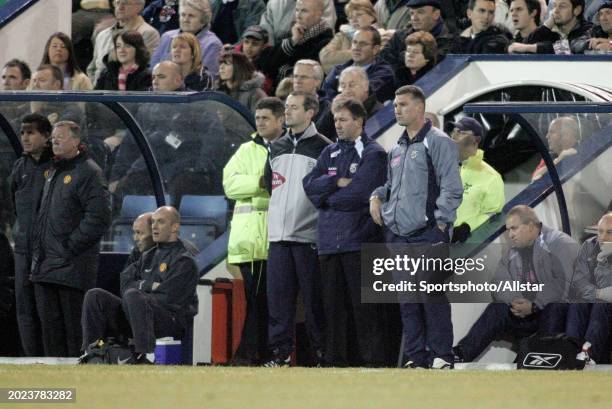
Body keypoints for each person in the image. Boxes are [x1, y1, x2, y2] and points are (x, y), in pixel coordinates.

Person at [369, 85, 463, 369]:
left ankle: (442, 356)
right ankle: (417, 358)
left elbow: (451, 187)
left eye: (403, 104)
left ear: (420, 108)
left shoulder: (438, 141)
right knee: (408, 300)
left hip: (427, 234)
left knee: (431, 296)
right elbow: (392, 186)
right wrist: (377, 196)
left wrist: (440, 224)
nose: (397, 109)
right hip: (399, 235)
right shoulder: (397, 147)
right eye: (396, 104)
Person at [303, 98, 387, 367]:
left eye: (343, 120)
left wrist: (327, 197)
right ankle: (334, 362)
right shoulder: (329, 152)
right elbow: (309, 187)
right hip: (329, 242)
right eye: (336, 120)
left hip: (359, 241)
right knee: (332, 309)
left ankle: (372, 363)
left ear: (359, 121)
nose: (337, 125)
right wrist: (335, 182)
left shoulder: (373, 153)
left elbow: (361, 194)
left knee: (364, 310)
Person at [453, 205, 577, 362]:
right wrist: (515, 301)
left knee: (555, 307)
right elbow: (499, 282)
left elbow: (565, 283)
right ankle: (461, 354)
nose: (510, 235)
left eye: (514, 228)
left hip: (556, 314)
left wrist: (534, 304)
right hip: (525, 311)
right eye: (508, 230)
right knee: (497, 309)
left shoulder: (560, 244)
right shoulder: (513, 251)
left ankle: (535, 358)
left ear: (531, 226)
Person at [29, 121, 111, 357]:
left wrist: (68, 247)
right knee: (50, 334)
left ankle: (78, 385)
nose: (54, 141)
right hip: (46, 265)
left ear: (76, 142)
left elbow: (99, 218)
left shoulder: (89, 172)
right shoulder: (52, 170)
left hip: (72, 267)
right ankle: (55, 385)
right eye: (53, 137)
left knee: (74, 333)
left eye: (60, 138)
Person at [81, 206, 199, 364]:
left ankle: (144, 354)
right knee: (95, 296)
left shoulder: (184, 260)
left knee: (133, 296)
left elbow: (169, 298)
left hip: (168, 320)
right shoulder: (146, 256)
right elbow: (125, 284)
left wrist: (139, 292)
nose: (155, 226)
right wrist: (150, 286)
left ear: (175, 227)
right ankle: (93, 351)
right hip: (136, 314)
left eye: (161, 222)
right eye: (154, 223)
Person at [263, 91, 330, 366]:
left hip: (308, 237)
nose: (287, 112)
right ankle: (279, 356)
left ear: (310, 112)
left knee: (315, 303)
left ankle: (322, 356)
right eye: (286, 107)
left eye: (293, 107)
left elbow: (326, 192)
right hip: (278, 237)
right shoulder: (275, 147)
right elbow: (270, 186)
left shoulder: (324, 148)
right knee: (278, 303)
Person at [223, 97, 285, 364]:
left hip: (275, 237)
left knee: (265, 301)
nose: (259, 122)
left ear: (280, 120)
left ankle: (254, 354)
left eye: (265, 118)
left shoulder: (286, 148)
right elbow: (230, 185)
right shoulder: (246, 150)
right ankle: (252, 354)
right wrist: (262, 182)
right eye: (257, 118)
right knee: (258, 300)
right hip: (250, 241)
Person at [9, 114, 53, 357]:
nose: (25, 137)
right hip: (23, 249)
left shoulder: (56, 166)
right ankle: (30, 359)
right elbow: (11, 199)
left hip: (47, 250)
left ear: (46, 137)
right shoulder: (20, 166)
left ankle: (50, 358)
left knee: (45, 309)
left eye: (31, 132)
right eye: (23, 132)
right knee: (24, 308)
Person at [566, 213, 612, 364]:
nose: (603, 237)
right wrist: (598, 293)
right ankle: (569, 351)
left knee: (601, 306)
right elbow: (579, 282)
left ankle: (589, 357)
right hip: (594, 299)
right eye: (600, 231)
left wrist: (603, 262)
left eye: (609, 232)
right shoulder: (589, 246)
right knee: (577, 302)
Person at [449, 117, 504, 243]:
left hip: (467, 250)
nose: (454, 135)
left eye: (461, 132)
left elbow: (493, 217)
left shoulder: (491, 178)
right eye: (454, 131)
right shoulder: (443, 168)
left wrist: (465, 228)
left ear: (476, 141)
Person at [87, 0, 160, 83]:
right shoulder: (102, 35)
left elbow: (144, 68)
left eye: (125, 3)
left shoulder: (147, 33)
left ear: (139, 7)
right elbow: (92, 69)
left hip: (128, 91)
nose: (120, 7)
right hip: (99, 91)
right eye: (117, 3)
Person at [265, 0, 334, 85]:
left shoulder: (327, 42)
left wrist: (281, 68)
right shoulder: (293, 34)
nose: (298, 16)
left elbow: (304, 74)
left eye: (304, 11)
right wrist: (293, 41)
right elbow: (267, 65)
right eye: (297, 10)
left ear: (319, 14)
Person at [321, 26, 395, 104]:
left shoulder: (385, 73)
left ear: (375, 49)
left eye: (363, 44)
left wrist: (338, 101)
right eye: (354, 42)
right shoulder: (338, 70)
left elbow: (363, 95)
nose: (356, 47)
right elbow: (324, 97)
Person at [378, 0, 456, 73]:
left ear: (436, 14)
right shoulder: (399, 37)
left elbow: (437, 68)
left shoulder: (451, 41)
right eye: (411, 13)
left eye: (420, 12)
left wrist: (402, 57)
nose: (414, 18)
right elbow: (381, 63)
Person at [150, 0, 223, 76]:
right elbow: (152, 69)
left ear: (203, 20)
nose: (185, 20)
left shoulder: (212, 45)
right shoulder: (167, 37)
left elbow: (208, 80)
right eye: (183, 15)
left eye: (191, 16)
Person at [316, 66, 382, 141]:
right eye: (343, 86)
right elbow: (318, 138)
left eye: (352, 85)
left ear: (366, 86)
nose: (347, 91)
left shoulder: (378, 111)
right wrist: (332, 112)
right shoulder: (339, 110)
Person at [319, 0, 379, 74]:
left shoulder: (382, 36)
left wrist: (340, 57)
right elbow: (325, 57)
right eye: (351, 17)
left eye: (359, 15)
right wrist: (360, 53)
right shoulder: (342, 35)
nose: (354, 20)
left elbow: (378, 61)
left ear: (372, 16)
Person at [524, 0, 592, 54]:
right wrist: (546, 25)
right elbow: (524, 45)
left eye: (562, 6)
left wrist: (534, 48)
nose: (555, 11)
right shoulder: (549, 31)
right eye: (554, 6)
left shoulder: (589, 30)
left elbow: (573, 47)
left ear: (577, 10)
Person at [258, 0, 336, 46]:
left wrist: (295, 41)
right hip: (278, 52)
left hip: (311, 48)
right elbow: (265, 32)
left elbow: (326, 25)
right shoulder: (273, 2)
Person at [532, 116, 580, 181]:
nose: (547, 136)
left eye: (552, 132)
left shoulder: (583, 153)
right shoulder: (550, 156)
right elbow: (534, 177)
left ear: (567, 135)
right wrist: (557, 161)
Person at [232, 25, 275, 94]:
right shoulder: (232, 56)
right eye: (246, 42)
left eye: (255, 44)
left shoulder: (269, 61)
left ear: (264, 46)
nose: (249, 47)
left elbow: (266, 88)